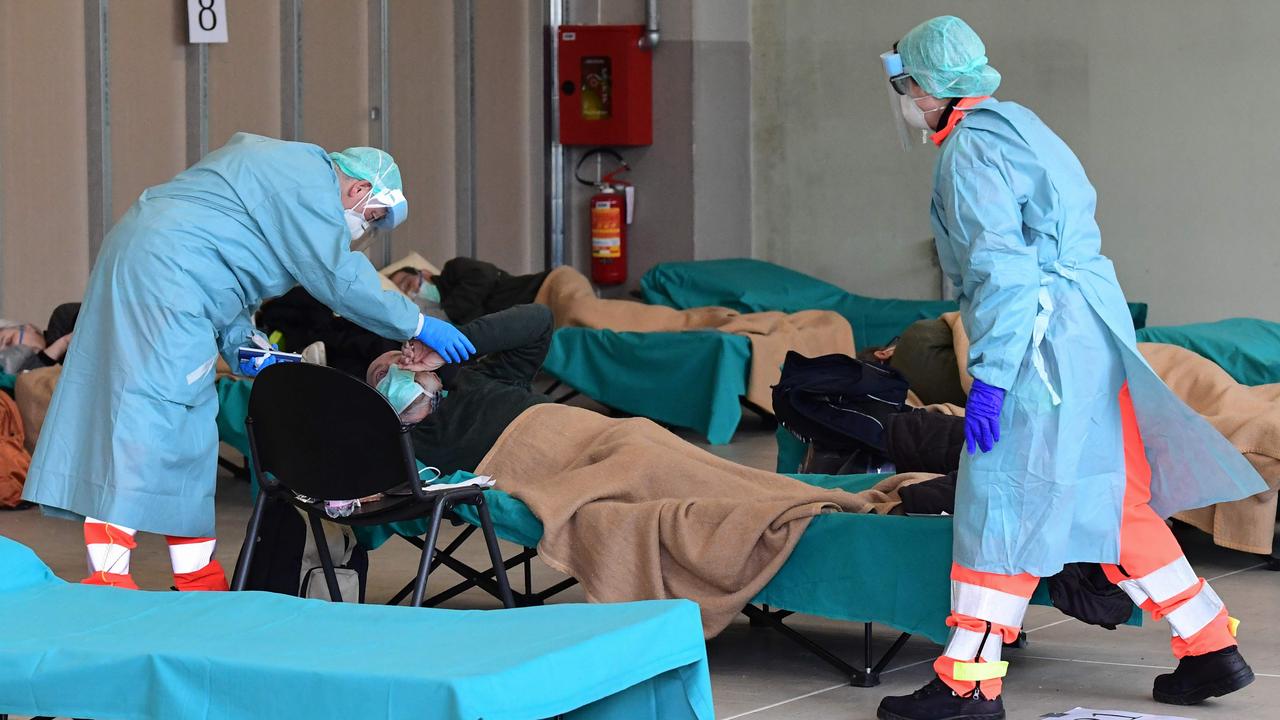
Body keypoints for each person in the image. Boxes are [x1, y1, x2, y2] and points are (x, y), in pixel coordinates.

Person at [873, 17, 1265, 720]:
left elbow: (1004, 275)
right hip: (1092, 337)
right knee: (1111, 499)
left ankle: (967, 686)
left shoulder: (967, 153)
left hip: (1040, 348)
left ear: (931, 86)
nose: (906, 99)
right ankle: (1209, 645)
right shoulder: (1019, 124)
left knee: (1003, 502)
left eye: (907, 85)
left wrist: (991, 375)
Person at [22, 133, 475, 592]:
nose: (365, 231)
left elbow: (227, 270)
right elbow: (339, 277)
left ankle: (196, 572)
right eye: (372, 219)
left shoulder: (280, 177)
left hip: (167, 272)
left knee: (192, 422)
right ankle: (110, 574)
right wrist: (416, 324)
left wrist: (245, 342)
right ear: (359, 191)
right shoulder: (307, 185)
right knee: (150, 412)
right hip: (165, 279)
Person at [366, 303, 552, 474]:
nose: (395, 369)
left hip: (568, 429)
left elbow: (540, 320)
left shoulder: (479, 378)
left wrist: (451, 344)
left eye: (403, 361)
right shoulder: (407, 454)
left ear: (434, 376)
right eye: (381, 375)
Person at [389, 256, 550, 325]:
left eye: (408, 284)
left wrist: (447, 314)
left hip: (545, 288)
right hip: (538, 322)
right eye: (407, 296)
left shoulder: (453, 270)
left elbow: (485, 275)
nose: (412, 294)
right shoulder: (449, 324)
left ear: (425, 273)